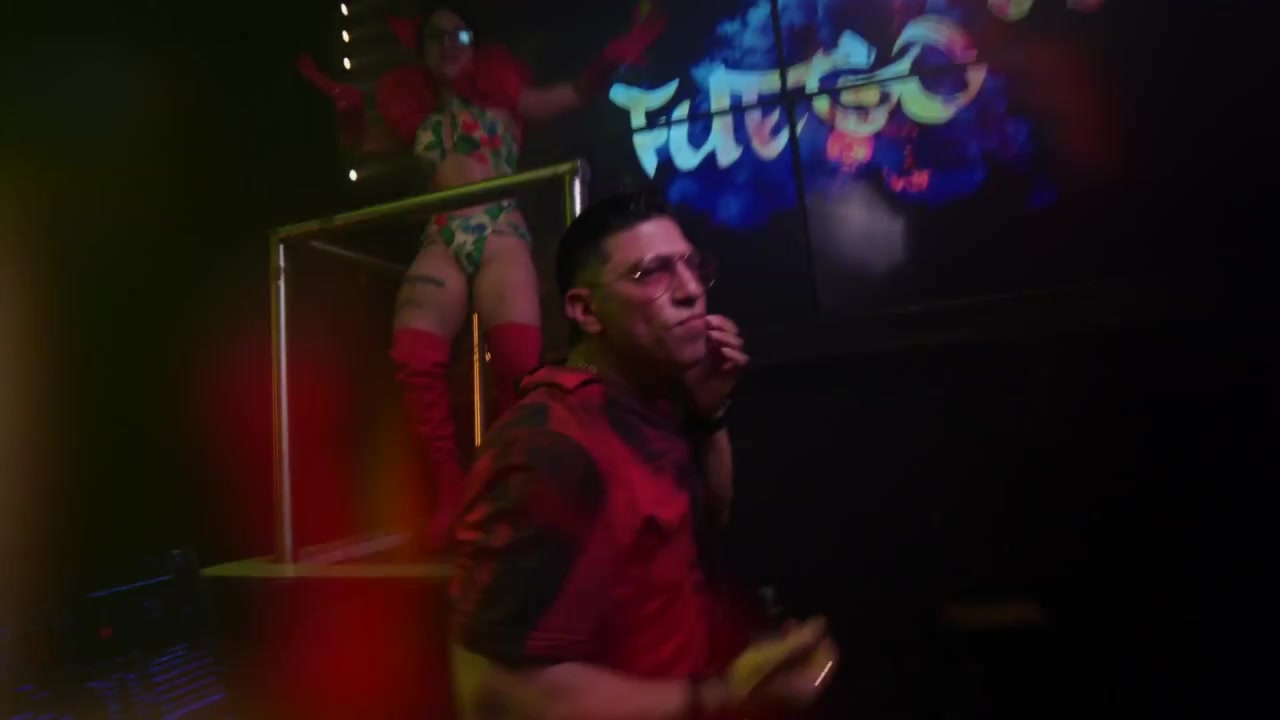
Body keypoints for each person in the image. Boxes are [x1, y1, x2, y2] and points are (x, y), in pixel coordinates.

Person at [448, 190, 838, 720]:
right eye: (651, 273)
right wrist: (723, 697)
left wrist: (708, 414)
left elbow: (706, 522)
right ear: (585, 310)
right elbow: (497, 693)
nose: (691, 290)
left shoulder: (646, 399)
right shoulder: (549, 447)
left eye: (692, 266)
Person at [296, 4, 666, 548]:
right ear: (422, 50)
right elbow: (363, 145)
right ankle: (451, 490)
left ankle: (515, 487)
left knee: (517, 366)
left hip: (498, 230)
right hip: (442, 233)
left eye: (460, 34)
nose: (449, 43)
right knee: (413, 354)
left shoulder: (505, 97)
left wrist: (609, 61)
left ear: (475, 44)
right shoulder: (413, 112)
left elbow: (571, 94)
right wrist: (348, 115)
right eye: (437, 36)